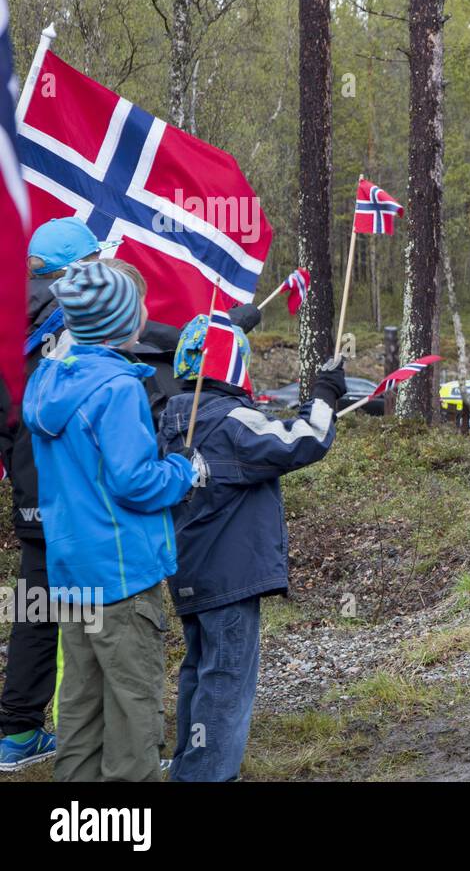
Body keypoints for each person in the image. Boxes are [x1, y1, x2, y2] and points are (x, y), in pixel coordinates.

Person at [23, 261, 203, 781]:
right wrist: (181, 471)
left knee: (80, 705)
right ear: (125, 322)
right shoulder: (118, 389)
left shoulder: (47, 380)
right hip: (124, 578)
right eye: (138, 303)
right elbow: (136, 481)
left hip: (73, 574)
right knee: (133, 710)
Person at [158, 318, 345, 781]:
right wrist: (325, 392)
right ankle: (209, 775)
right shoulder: (232, 422)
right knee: (225, 680)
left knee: (199, 671)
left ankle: (189, 765)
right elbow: (306, 440)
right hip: (230, 577)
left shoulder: (171, 419)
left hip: (189, 572)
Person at [0, 218, 102, 772]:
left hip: (30, 494)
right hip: (78, 496)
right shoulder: (79, 319)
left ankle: (17, 733)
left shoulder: (10, 326)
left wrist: (21, 482)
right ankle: (99, 735)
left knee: (34, 611)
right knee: (98, 612)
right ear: (74, 268)